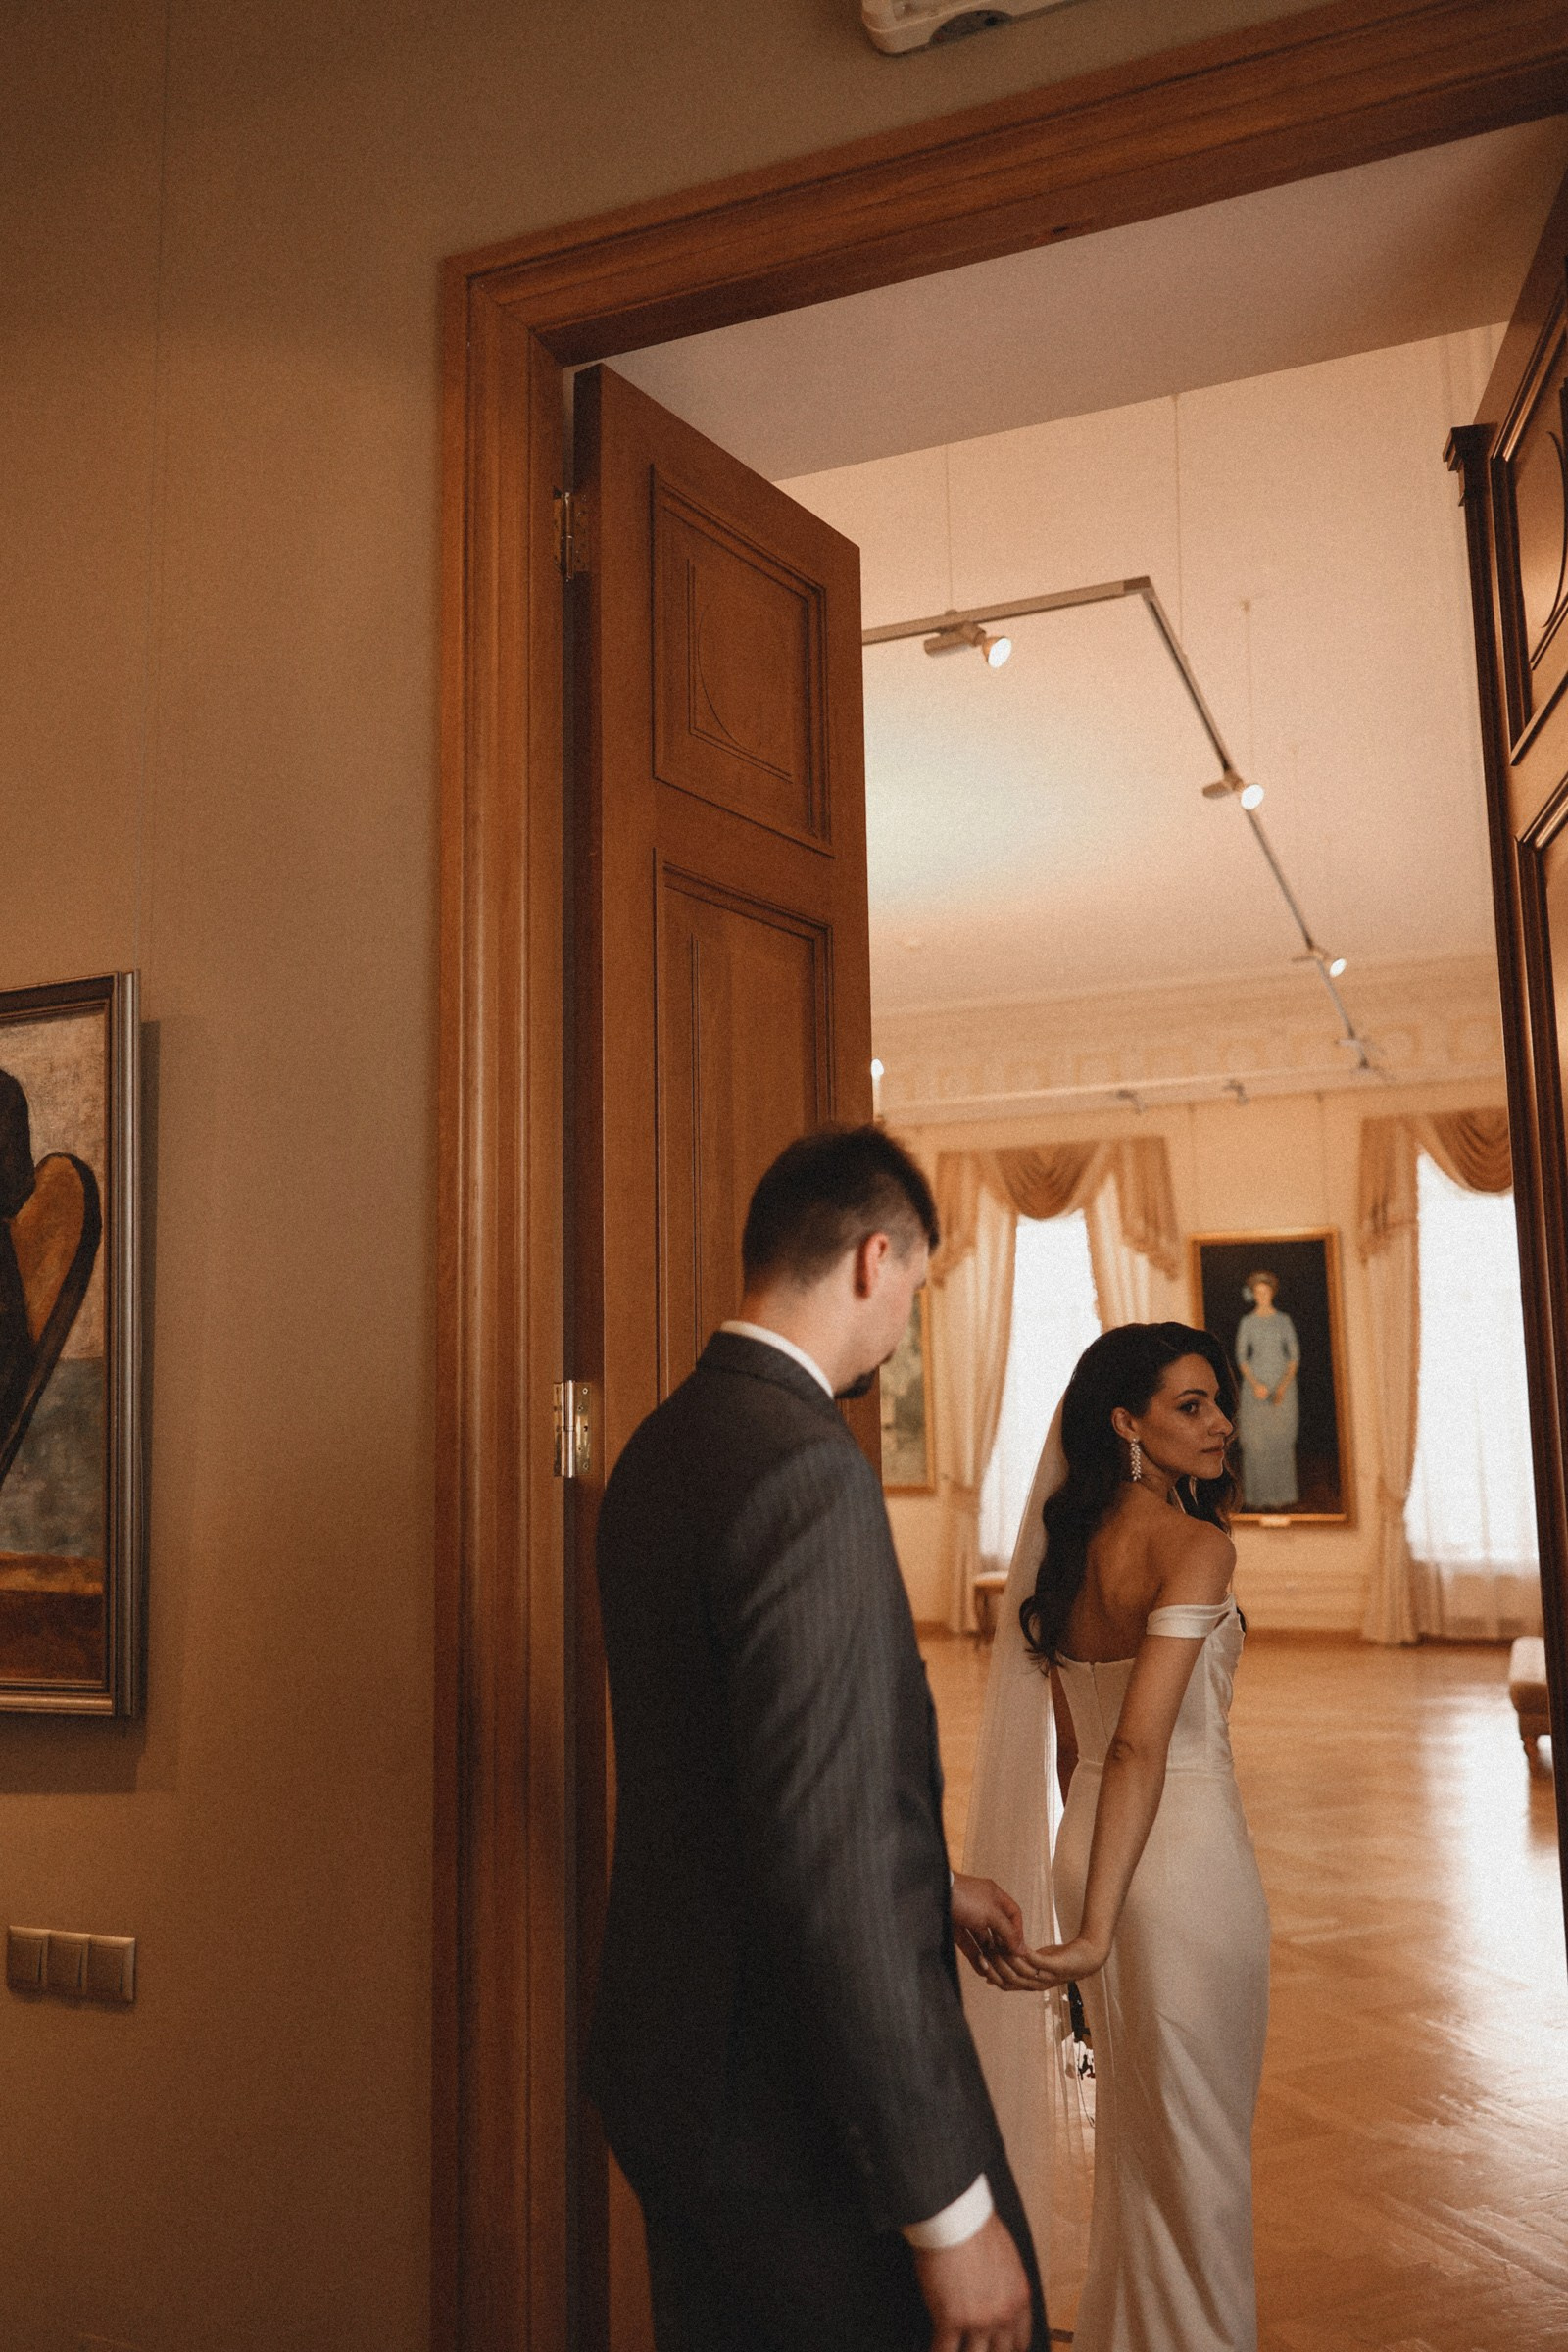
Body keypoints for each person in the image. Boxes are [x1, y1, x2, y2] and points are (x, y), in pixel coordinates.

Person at [588, 1123, 1048, 2352]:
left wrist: (930, 1882)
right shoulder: (806, 1472)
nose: (902, 1322)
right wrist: (950, 2214)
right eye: (916, 1290)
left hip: (668, 2063)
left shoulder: (662, 1446)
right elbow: (830, 1865)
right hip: (787, 2108)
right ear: (874, 1259)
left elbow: (738, 1776)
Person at [964, 1323, 1270, 2352]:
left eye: (1218, 1402)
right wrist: (1094, 1936)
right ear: (1125, 1423)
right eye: (1191, 1405)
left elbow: (1076, 1754)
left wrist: (1085, 1899)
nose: (1220, 1423)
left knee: (1144, 2148)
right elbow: (1139, 1746)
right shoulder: (1195, 1547)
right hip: (1180, 1861)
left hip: (1092, 1848)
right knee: (1202, 2154)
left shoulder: (1065, 1553)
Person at [1235, 1272, 1300, 1509]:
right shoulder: (1247, 1322)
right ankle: (1258, 1498)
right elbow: (1241, 1357)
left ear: (1272, 1293)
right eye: (1258, 1292)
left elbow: (1294, 1357)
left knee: (1280, 1440)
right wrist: (1256, 1385)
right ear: (1253, 1295)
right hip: (1256, 1388)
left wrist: (1282, 1387)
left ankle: (1281, 1497)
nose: (1262, 1296)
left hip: (1283, 1386)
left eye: (1266, 1291)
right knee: (1256, 1443)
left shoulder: (1283, 1320)